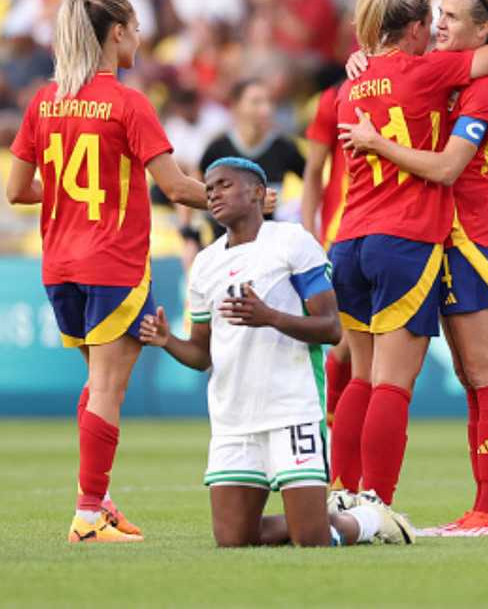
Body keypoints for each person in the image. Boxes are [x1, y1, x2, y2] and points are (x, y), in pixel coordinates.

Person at [5, 0, 208, 543]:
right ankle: (89, 513)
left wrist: (69, 197)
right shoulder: (128, 103)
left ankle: (99, 502)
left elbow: (15, 189)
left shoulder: (44, 102)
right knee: (109, 390)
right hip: (114, 262)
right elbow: (174, 187)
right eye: (136, 27)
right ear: (115, 32)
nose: (140, 38)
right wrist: (236, 197)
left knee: (97, 385)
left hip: (60, 265)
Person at [331, 0, 488, 525]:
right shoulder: (439, 69)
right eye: (436, 14)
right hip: (420, 231)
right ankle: (362, 499)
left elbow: (449, 168)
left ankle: (487, 511)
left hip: (469, 232)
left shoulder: (486, 85)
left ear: (483, 29)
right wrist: (366, 55)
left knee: (481, 369)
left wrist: (369, 65)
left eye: (452, 17)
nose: (439, 25)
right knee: (427, 374)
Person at [140, 157, 414, 548]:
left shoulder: (292, 242)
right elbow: (202, 355)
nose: (213, 193)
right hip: (232, 418)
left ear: (257, 193)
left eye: (225, 185)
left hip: (292, 408)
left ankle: (371, 517)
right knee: (234, 540)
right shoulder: (205, 263)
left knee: (312, 540)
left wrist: (269, 317)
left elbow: (332, 329)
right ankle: (339, 514)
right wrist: (167, 340)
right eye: (210, 187)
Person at [300, 80, 355, 491]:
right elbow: (314, 171)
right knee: (346, 347)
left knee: (360, 358)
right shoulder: (334, 96)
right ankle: (333, 461)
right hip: (342, 235)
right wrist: (307, 234)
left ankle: (343, 465)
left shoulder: (419, 83)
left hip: (390, 232)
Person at [185, 79, 305, 250]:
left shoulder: (284, 148)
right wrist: (189, 236)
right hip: (222, 248)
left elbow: (313, 182)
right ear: (236, 107)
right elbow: (191, 184)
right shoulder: (218, 148)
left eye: (269, 102)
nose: (266, 109)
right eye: (256, 102)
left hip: (268, 249)